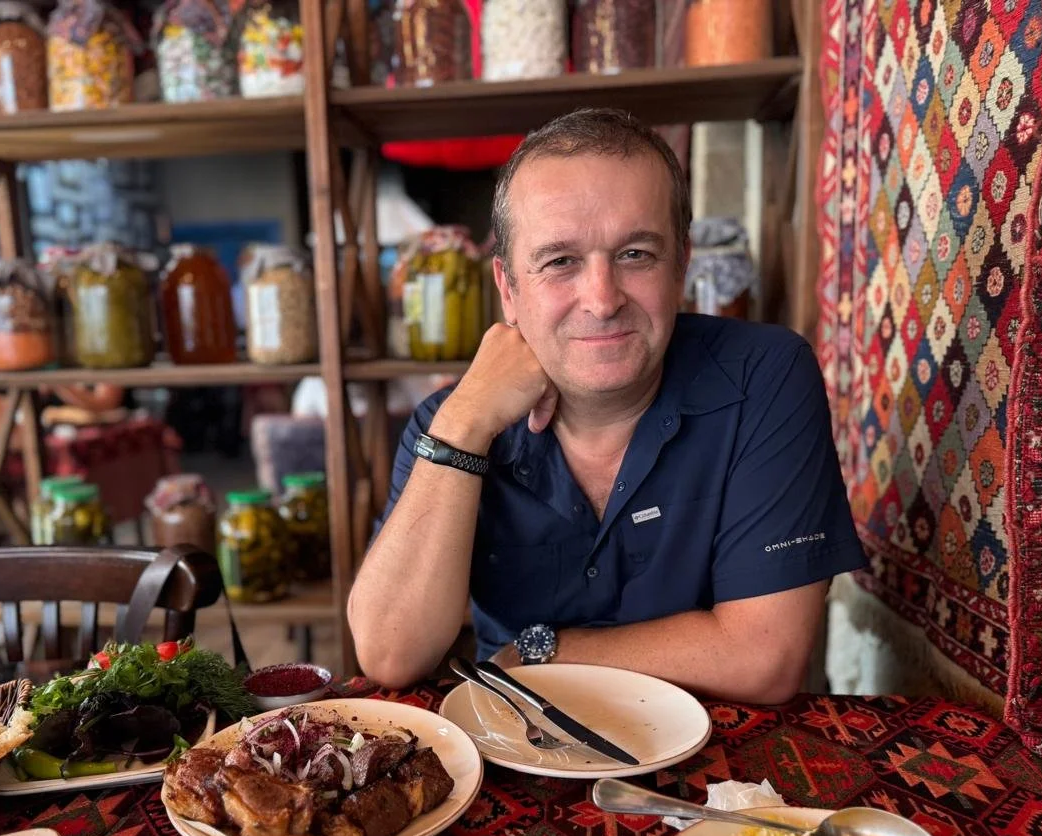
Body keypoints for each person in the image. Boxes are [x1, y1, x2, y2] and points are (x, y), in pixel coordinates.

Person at [348, 108, 868, 702]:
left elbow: (766, 658)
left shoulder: (765, 375)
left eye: (636, 255)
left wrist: (545, 654)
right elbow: (390, 653)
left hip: (729, 768)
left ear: (681, 268)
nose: (602, 300)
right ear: (508, 289)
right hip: (525, 751)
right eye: (560, 262)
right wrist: (465, 423)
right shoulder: (452, 423)